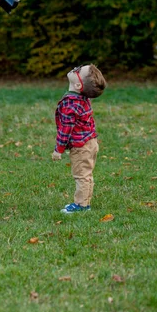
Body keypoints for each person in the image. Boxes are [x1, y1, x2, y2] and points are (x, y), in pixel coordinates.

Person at [52, 64, 107, 213]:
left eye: (78, 71)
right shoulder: (81, 99)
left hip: (81, 146)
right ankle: (85, 202)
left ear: (78, 84)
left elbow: (66, 129)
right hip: (90, 142)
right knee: (86, 174)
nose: (74, 69)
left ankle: (82, 206)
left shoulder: (71, 103)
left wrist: (58, 149)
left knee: (81, 175)